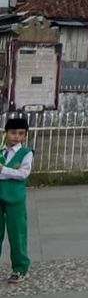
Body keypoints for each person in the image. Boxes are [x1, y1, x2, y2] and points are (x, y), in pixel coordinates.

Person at [0, 117, 33, 283]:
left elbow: (23, 174)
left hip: (15, 198)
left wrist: (3, 170)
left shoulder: (25, 153)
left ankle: (20, 268)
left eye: (21, 133)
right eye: (13, 133)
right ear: (6, 133)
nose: (16, 137)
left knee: (17, 233)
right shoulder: (0, 151)